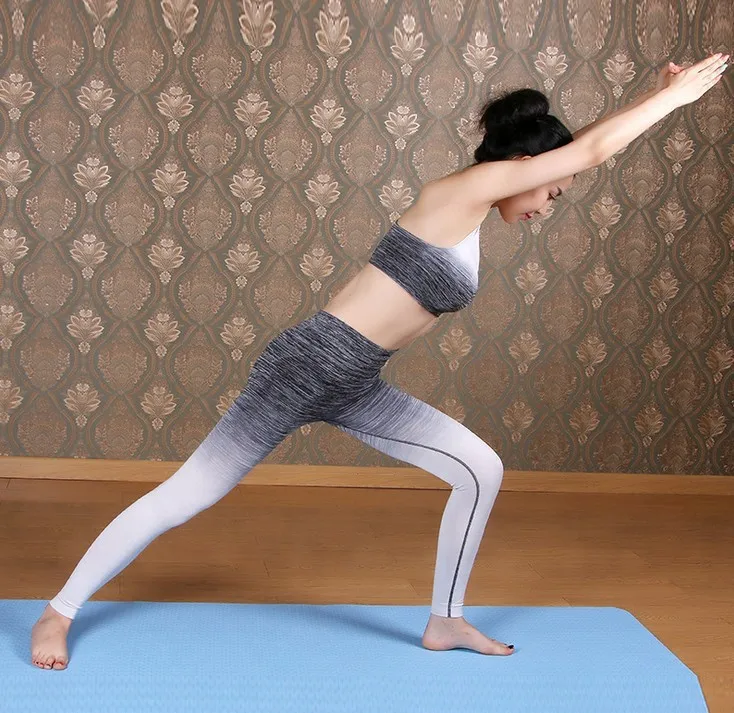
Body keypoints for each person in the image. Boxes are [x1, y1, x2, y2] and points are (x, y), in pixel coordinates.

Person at [31, 52, 728, 670]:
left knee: (480, 469)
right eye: (551, 189)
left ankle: (445, 620)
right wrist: (674, 100)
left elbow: (580, 150)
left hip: (356, 379)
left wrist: (651, 92)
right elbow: (592, 151)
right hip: (307, 364)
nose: (548, 204)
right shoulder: (460, 191)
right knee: (189, 494)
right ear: (521, 166)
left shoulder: (475, 212)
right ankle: (58, 612)